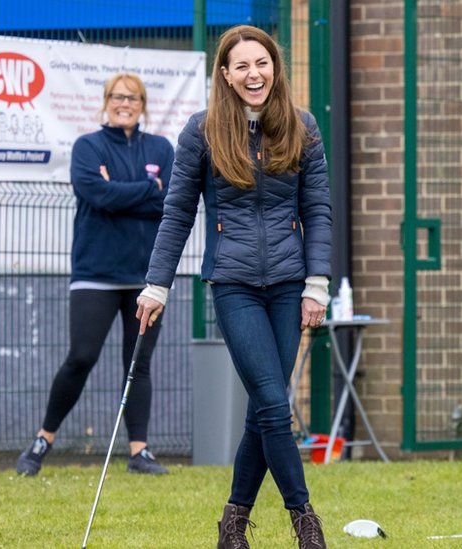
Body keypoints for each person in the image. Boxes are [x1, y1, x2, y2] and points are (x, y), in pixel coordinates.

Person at [135, 25, 332, 549]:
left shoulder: (303, 127)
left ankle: (232, 525)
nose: (253, 74)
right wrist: (156, 285)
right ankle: (305, 521)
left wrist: (317, 283)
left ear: (275, 68)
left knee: (261, 409)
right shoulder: (200, 132)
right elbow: (177, 214)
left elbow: (318, 210)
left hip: (291, 286)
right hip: (234, 285)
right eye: (241, 66)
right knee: (272, 402)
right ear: (224, 74)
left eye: (262, 63)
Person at [16, 73, 174, 477]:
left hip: (145, 279)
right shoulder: (88, 146)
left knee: (138, 362)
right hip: (95, 274)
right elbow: (96, 195)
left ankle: (139, 451)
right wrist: (146, 187)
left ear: (143, 103)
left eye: (133, 97)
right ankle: (43, 439)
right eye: (118, 97)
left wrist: (125, 192)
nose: (126, 103)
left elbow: (169, 202)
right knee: (81, 357)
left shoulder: (161, 147)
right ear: (106, 101)